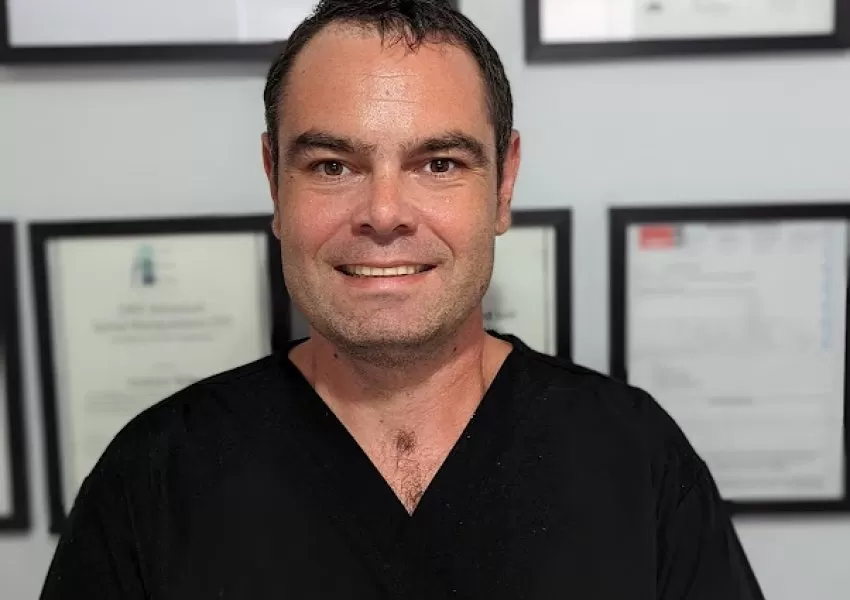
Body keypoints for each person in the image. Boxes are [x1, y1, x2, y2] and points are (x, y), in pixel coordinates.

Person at [40, 1, 765, 598]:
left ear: (504, 184)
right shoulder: (154, 480)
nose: (384, 214)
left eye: (439, 163)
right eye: (333, 166)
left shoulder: (634, 460)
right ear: (274, 181)